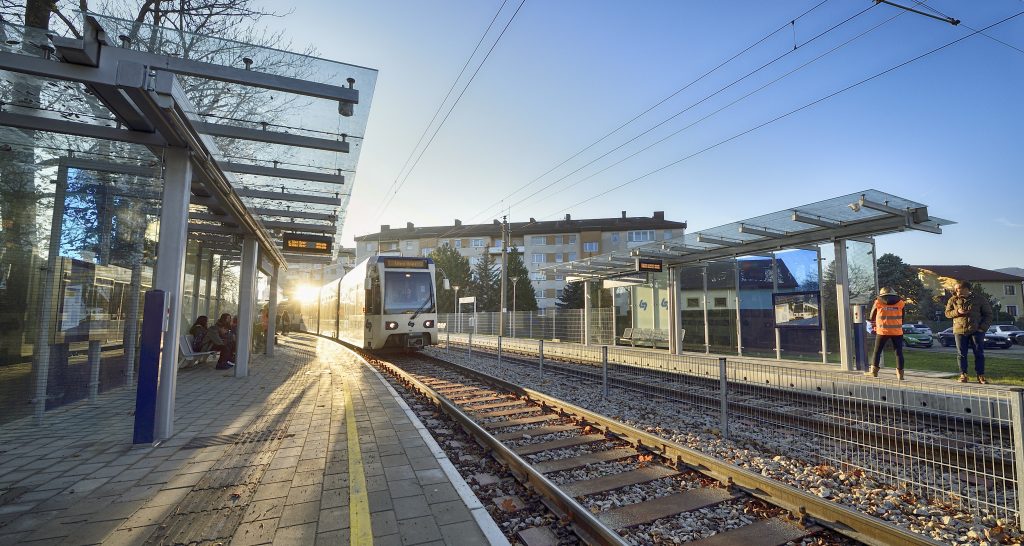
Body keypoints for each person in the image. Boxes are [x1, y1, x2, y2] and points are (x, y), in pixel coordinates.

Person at [945, 280, 993, 384]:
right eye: (955, 289)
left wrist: (982, 328)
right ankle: (963, 375)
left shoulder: (980, 299)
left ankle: (980, 375)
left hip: (976, 331)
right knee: (961, 354)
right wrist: (957, 312)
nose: (956, 291)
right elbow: (947, 313)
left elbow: (988, 315)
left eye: (958, 289)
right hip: (959, 330)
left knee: (979, 353)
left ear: (966, 289)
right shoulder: (953, 299)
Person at [866, 287, 906, 380]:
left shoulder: (878, 302)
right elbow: (903, 318)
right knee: (898, 353)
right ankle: (900, 375)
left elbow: (871, 317)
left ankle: (874, 372)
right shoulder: (901, 302)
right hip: (897, 331)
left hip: (882, 331)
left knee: (877, 351)